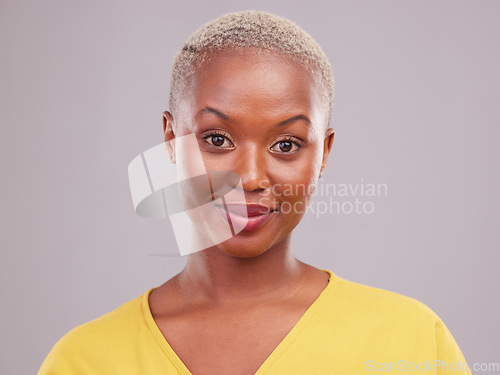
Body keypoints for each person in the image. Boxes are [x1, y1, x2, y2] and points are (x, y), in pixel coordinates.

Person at [38, 10, 471, 375]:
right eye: (217, 139)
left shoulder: (412, 344)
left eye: (286, 145)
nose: (249, 178)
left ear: (323, 154)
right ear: (171, 140)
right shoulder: (84, 360)